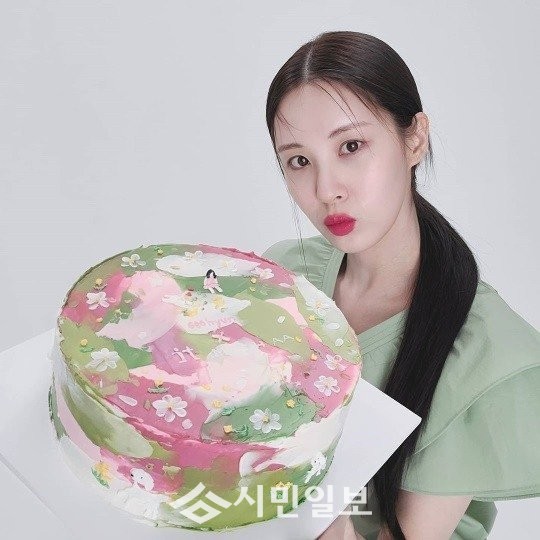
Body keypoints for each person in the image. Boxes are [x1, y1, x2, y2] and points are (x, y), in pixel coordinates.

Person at [261, 31, 540, 539]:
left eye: (351, 147)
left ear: (414, 139)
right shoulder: (287, 279)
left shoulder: (480, 352)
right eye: (299, 161)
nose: (327, 190)